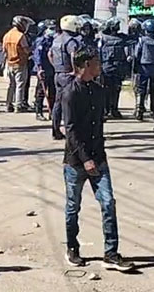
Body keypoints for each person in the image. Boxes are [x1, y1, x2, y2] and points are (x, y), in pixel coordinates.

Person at [61, 44, 134, 271]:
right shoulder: (70, 92)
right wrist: (85, 159)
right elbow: (70, 130)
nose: (99, 67)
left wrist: (96, 156)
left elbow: (98, 126)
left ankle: (111, 253)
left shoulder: (99, 90)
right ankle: (72, 248)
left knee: (108, 202)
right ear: (84, 66)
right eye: (95, 63)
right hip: (76, 162)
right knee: (73, 206)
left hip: (99, 158)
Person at [50, 16, 83, 139]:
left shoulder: (56, 39)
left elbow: (50, 54)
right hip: (68, 75)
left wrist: (55, 67)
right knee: (71, 103)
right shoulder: (70, 41)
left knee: (57, 103)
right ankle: (71, 132)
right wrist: (75, 71)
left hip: (58, 74)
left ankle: (55, 130)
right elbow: (73, 56)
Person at [98, 18, 129, 122]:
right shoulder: (102, 38)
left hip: (118, 67)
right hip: (106, 67)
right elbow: (98, 53)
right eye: (116, 25)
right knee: (106, 90)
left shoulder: (122, 38)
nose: (117, 27)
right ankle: (106, 110)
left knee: (116, 89)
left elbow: (132, 40)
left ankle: (114, 109)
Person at [3, 15, 33, 113]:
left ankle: (8, 104)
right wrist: (32, 49)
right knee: (20, 85)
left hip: (10, 63)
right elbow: (26, 50)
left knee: (11, 85)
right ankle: (18, 105)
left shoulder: (7, 35)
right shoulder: (20, 36)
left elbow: (4, 51)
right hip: (20, 63)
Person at [133, 20, 154, 121]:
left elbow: (137, 54)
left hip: (143, 67)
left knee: (141, 89)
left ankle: (139, 111)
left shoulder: (142, 40)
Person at [33, 20, 56, 121]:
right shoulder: (41, 41)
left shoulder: (54, 40)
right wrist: (39, 68)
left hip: (52, 68)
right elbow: (37, 55)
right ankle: (39, 112)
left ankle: (52, 112)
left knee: (53, 91)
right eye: (50, 29)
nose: (53, 31)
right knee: (41, 91)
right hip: (43, 69)